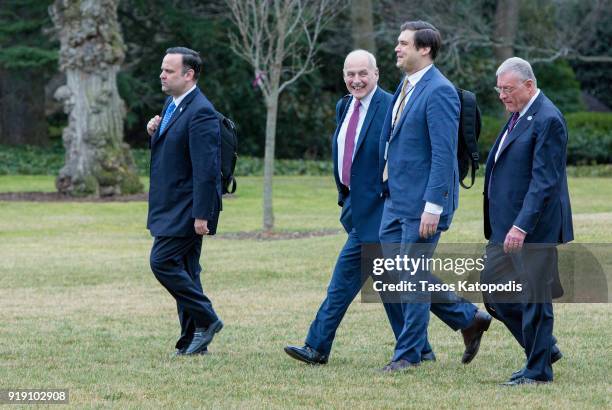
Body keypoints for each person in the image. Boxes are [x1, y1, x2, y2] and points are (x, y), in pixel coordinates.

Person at [378, 21, 491, 372]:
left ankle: (410, 354)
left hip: (423, 204)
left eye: (403, 43)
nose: (397, 48)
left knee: (411, 274)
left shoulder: (439, 90)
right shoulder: (406, 85)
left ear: (424, 49)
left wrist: (433, 206)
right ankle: (467, 317)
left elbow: (443, 155)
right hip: (395, 200)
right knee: (392, 271)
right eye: (397, 43)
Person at [284, 50, 403, 365]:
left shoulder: (390, 106)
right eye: (350, 74)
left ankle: (317, 346)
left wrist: (387, 196)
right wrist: (346, 197)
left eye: (363, 73)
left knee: (342, 282)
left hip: (380, 210)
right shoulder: (344, 106)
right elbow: (345, 153)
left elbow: (400, 158)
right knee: (388, 281)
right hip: (355, 206)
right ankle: (436, 335)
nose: (356, 80)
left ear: (376, 74)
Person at [481, 57, 573, 385]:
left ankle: (538, 371)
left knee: (536, 298)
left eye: (508, 89)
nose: (502, 95)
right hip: (505, 226)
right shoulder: (519, 115)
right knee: (493, 290)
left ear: (529, 85)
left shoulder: (548, 118)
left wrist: (521, 225)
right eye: (499, 89)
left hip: (533, 228)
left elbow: (544, 181)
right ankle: (543, 349)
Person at [146, 47, 224, 356]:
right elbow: (172, 149)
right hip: (172, 204)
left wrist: (202, 215)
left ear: (188, 75)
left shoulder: (201, 111)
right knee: (188, 272)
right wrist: (154, 131)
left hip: (187, 208)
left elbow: (207, 170)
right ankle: (194, 340)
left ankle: (208, 317)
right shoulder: (173, 104)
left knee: (162, 262)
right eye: (162, 69)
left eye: (169, 71)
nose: (162, 75)